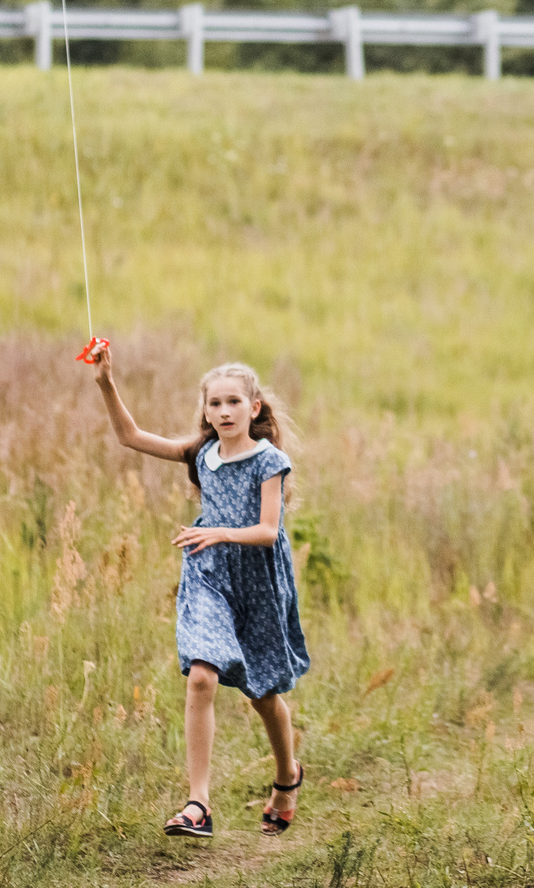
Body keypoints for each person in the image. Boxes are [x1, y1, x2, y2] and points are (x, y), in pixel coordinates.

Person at [90, 344, 310, 839]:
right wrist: (106, 382)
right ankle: (198, 805)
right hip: (208, 574)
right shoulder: (201, 452)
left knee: (262, 692)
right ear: (205, 411)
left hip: (256, 579)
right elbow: (129, 436)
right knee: (201, 678)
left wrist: (219, 532)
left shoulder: (269, 460)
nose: (224, 411)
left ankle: (287, 776)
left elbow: (268, 531)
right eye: (215, 404)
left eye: (234, 401)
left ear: (254, 408)